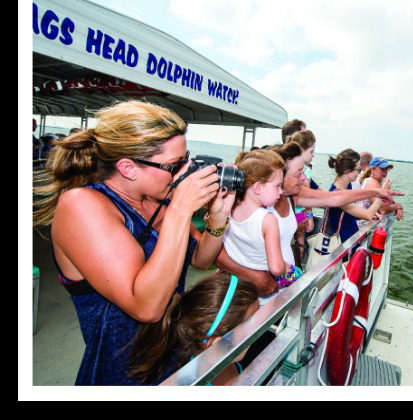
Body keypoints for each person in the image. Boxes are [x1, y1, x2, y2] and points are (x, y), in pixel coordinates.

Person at [32, 99, 234, 385]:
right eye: (175, 165)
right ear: (128, 167)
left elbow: (201, 259)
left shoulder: (158, 201)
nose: (185, 170)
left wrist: (217, 218)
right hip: (122, 371)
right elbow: (147, 307)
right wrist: (179, 210)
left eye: (187, 159)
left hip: (169, 353)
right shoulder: (82, 205)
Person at [214, 142, 403, 294]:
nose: (305, 178)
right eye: (299, 172)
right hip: (250, 290)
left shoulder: (291, 196)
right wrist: (255, 277)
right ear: (280, 173)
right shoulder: (243, 203)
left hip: (280, 286)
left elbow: (334, 197)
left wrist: (375, 192)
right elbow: (212, 251)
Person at [127, 272, 259, 385]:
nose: (258, 326)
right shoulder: (190, 383)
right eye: (251, 322)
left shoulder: (228, 363)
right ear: (217, 342)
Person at [222, 148, 303, 306]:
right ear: (258, 188)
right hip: (266, 296)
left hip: (238, 289)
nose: (281, 191)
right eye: (277, 186)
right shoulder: (267, 219)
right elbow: (276, 267)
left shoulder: (228, 209)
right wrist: (288, 268)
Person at [326, 149, 384, 245]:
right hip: (341, 244)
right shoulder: (338, 193)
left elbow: (350, 210)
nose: (359, 173)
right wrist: (380, 194)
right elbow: (367, 215)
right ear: (348, 171)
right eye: (358, 170)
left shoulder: (347, 186)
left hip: (350, 239)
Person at [286, 129, 318, 262]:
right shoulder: (288, 169)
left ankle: (297, 267)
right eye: (311, 151)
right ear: (301, 150)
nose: (313, 155)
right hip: (290, 213)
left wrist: (309, 216)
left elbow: (309, 196)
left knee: (300, 243)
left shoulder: (307, 171)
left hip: (299, 212)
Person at [357, 156, 404, 228]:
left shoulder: (380, 184)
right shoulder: (372, 182)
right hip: (368, 230)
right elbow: (383, 209)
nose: (385, 172)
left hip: (375, 230)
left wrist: (398, 208)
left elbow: (390, 204)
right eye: (382, 169)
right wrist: (397, 206)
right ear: (372, 169)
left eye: (387, 169)